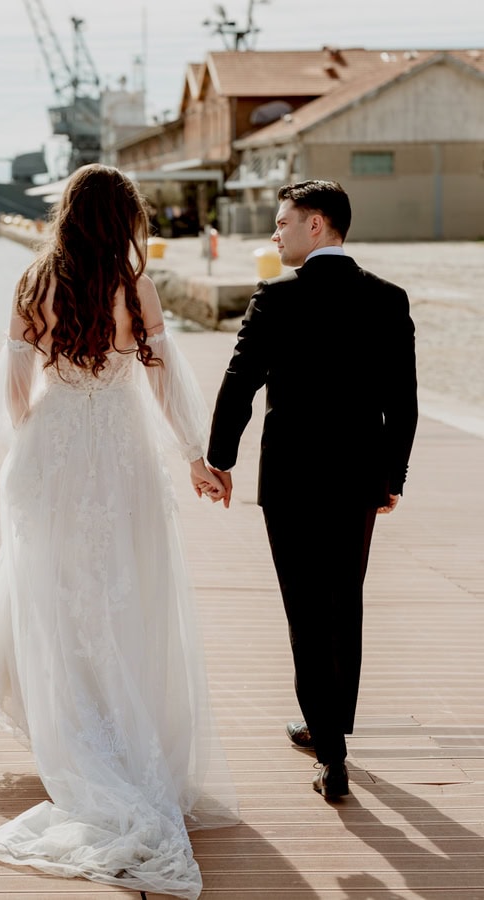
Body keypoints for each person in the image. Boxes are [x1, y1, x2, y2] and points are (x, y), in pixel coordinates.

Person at [0, 164, 238, 898]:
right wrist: (197, 457)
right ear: (124, 218)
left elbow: (13, 394)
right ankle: (116, 728)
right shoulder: (135, 287)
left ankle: (76, 732)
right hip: (121, 462)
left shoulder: (32, 285)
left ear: (68, 215)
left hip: (51, 458)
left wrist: (38, 445)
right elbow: (165, 380)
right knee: (122, 599)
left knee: (55, 599)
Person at [206, 180, 418, 800]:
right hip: (358, 477)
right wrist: (392, 477)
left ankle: (329, 746)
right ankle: (334, 732)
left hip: (292, 482)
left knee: (304, 608)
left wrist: (220, 460)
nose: (275, 235)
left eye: (283, 223)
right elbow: (402, 403)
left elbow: (238, 384)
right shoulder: (388, 299)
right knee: (343, 603)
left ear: (317, 226)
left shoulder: (275, 300)